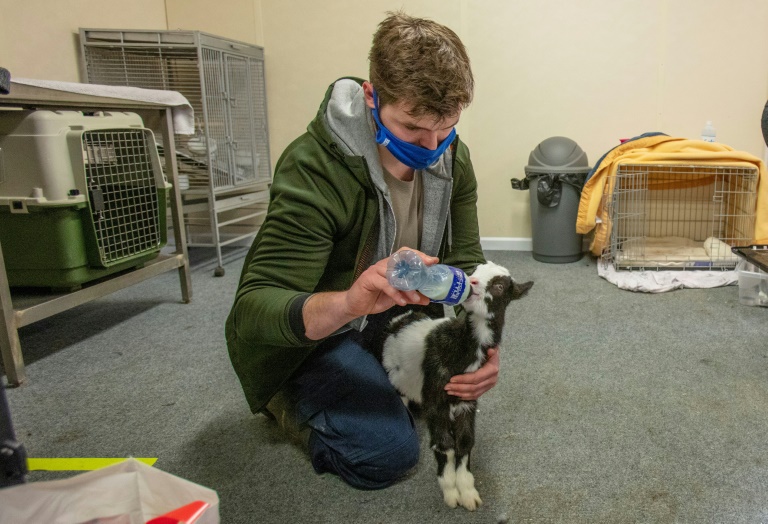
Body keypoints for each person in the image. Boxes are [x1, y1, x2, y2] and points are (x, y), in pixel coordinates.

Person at [225, 11, 499, 490]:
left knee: (448, 391)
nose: (432, 148)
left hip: (391, 311)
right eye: (412, 128)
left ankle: (375, 371)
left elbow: (466, 265)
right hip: (317, 329)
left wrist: (485, 342)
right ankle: (281, 395)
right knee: (386, 453)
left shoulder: (453, 157)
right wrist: (351, 302)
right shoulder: (314, 167)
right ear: (372, 97)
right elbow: (253, 309)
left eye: (446, 128)